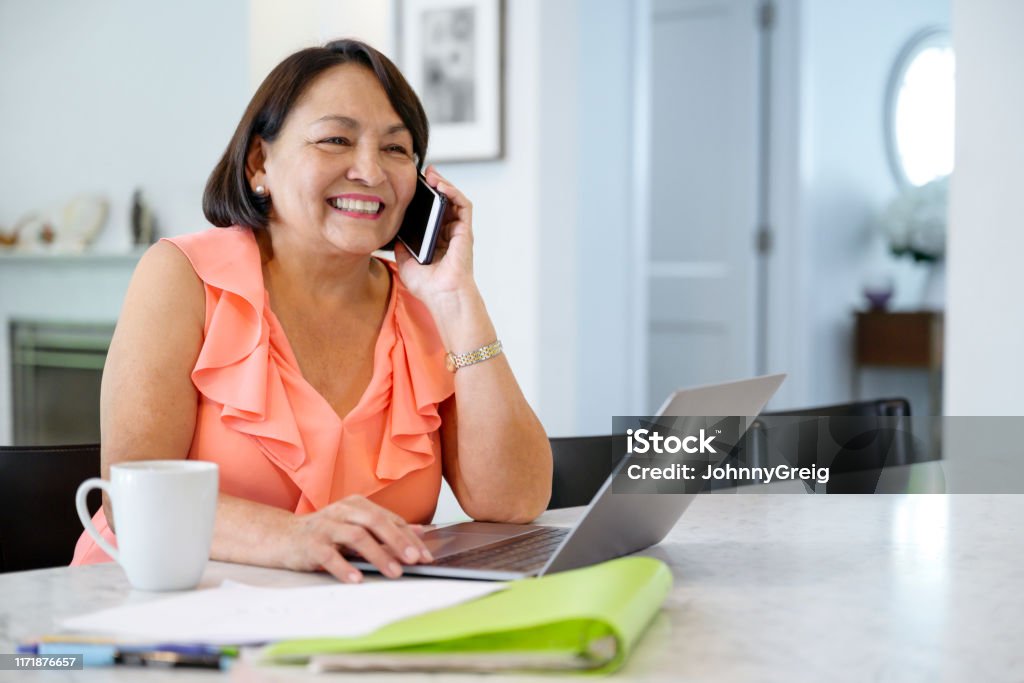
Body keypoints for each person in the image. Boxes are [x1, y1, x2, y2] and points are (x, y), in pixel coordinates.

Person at [71, 39, 552, 582]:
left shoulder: (423, 307)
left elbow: (514, 501)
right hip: (155, 608)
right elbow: (132, 499)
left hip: (348, 620)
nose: (370, 171)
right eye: (336, 140)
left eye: (396, 149)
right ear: (259, 163)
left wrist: (458, 299)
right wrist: (294, 536)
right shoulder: (182, 275)